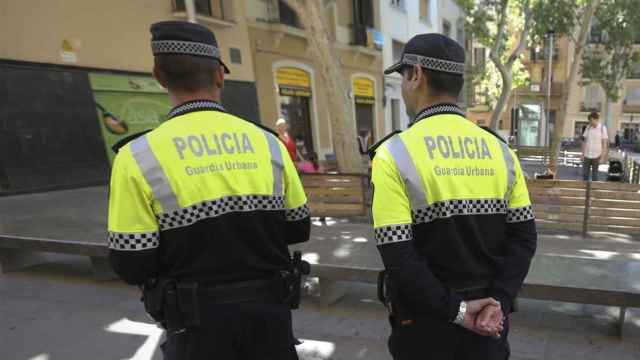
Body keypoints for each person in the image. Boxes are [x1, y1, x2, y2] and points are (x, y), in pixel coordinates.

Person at [107, 21, 310, 360]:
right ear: (219, 75)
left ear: (159, 75)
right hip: (269, 318)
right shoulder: (268, 144)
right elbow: (298, 227)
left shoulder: (137, 157)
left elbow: (131, 263)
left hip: (193, 326)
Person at [369, 33, 537, 360]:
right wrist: (497, 303)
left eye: (403, 76)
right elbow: (525, 238)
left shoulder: (394, 154)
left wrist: (460, 312)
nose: (403, 87)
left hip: (424, 331)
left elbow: (399, 255)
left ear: (416, 75)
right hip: (490, 328)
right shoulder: (501, 151)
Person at [581, 111, 608, 181]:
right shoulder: (588, 128)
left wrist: (602, 157)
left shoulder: (602, 128)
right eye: (590, 121)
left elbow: (605, 144)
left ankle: (593, 191)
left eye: (591, 120)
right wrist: (582, 154)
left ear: (596, 119)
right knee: (585, 175)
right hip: (587, 154)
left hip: (597, 155)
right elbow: (584, 141)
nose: (590, 122)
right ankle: (585, 190)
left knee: (595, 176)